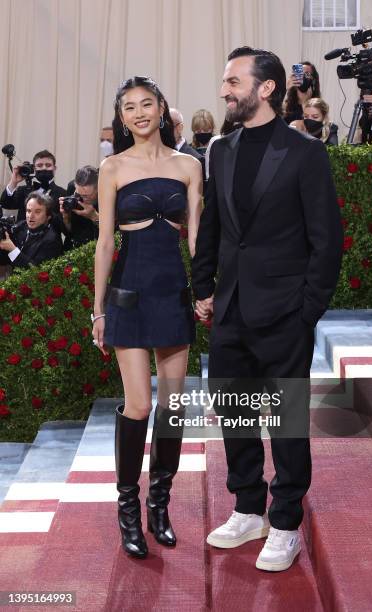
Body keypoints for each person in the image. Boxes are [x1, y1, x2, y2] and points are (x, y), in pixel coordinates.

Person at [192, 46, 343, 572]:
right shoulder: (222, 149)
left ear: (267, 88)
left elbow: (327, 240)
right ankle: (249, 508)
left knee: (285, 422)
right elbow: (214, 225)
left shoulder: (304, 153)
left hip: (284, 313)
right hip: (230, 308)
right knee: (233, 412)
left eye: (233, 80)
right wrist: (202, 286)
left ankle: (285, 523)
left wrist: (307, 312)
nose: (223, 89)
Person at [92, 76, 202, 559]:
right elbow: (104, 244)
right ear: (121, 117)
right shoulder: (111, 167)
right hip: (128, 297)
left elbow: (196, 240)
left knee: (173, 408)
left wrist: (205, 291)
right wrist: (97, 310)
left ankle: (161, 506)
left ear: (162, 109)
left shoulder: (189, 166)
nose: (139, 113)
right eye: (129, 108)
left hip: (173, 294)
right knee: (138, 407)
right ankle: (129, 511)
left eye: (147, 104)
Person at [0, 191, 63, 268]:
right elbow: (6, 260)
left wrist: (12, 249)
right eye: (28, 211)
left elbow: (37, 271)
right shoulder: (21, 226)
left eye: (37, 212)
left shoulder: (52, 240)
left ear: (48, 216)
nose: (31, 216)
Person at [0, 150, 66, 222]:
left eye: (48, 165)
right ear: (34, 169)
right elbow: (6, 204)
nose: (44, 168)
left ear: (54, 168)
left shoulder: (62, 193)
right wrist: (13, 182)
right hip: (22, 233)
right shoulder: (22, 190)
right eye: (39, 165)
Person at [60, 166, 99, 249]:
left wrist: (94, 217)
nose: (81, 199)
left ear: (98, 189)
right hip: (74, 248)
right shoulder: (72, 187)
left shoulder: (109, 194)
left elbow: (113, 233)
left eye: (86, 196)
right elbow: (69, 232)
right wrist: (66, 218)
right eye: (78, 194)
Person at [170, 107, 205, 180]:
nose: (163, 132)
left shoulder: (195, 158)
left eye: (168, 127)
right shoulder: (158, 154)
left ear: (180, 128)